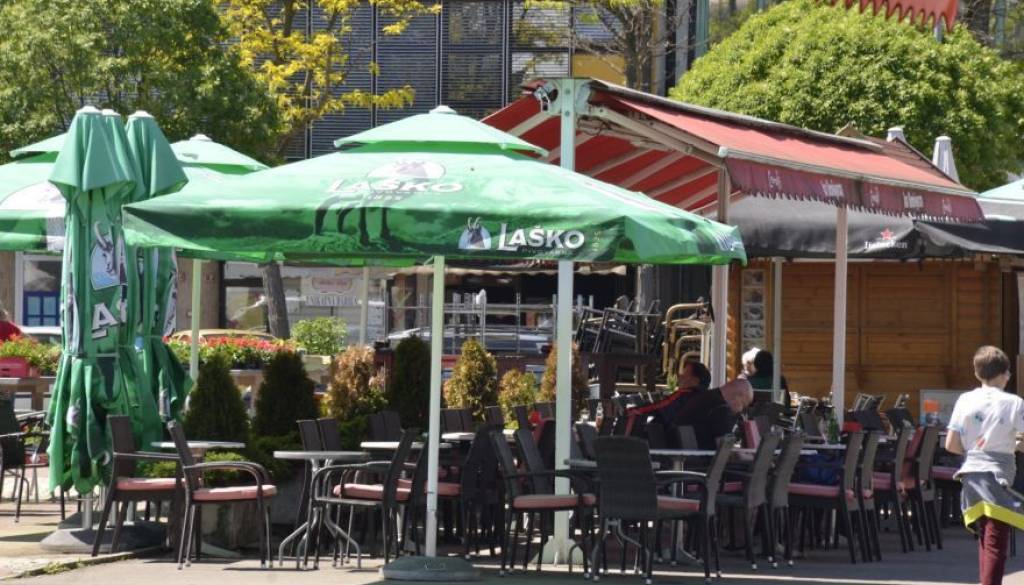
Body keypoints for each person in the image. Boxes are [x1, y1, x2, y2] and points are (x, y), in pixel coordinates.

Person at [945, 345, 1024, 585]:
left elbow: (951, 444)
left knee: (985, 535)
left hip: (970, 474)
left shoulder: (965, 399)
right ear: (1004, 373)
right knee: (996, 540)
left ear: (977, 373)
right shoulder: (1014, 403)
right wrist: (1013, 445)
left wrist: (976, 450)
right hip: (999, 475)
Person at [673, 378, 754, 449]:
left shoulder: (706, 397)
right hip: (701, 459)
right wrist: (749, 456)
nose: (740, 411)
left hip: (683, 456)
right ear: (738, 395)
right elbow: (726, 449)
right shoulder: (721, 408)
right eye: (743, 405)